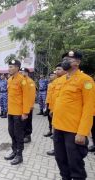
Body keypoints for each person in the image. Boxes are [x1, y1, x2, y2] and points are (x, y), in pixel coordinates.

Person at [52, 51, 94, 180]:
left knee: (75, 164)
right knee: (61, 160)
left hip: (74, 130)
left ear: (77, 62)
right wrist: (54, 126)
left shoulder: (86, 80)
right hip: (58, 128)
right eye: (64, 58)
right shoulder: (61, 79)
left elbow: (89, 108)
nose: (65, 61)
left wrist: (82, 132)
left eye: (69, 59)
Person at [4, 60, 30, 165]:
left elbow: (26, 97)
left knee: (19, 134)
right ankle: (14, 151)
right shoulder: (10, 79)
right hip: (11, 111)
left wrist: (25, 113)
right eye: (9, 66)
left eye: (11, 67)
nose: (9, 68)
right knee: (11, 132)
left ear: (17, 68)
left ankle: (19, 155)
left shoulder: (22, 80)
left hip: (19, 113)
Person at [46, 63, 66, 156]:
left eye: (59, 69)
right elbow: (53, 96)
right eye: (56, 69)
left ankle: (60, 150)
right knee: (55, 131)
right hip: (54, 109)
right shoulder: (56, 81)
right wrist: (51, 109)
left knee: (61, 132)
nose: (57, 71)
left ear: (65, 70)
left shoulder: (66, 80)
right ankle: (56, 149)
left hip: (64, 113)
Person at [20, 68, 36, 144]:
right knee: (22, 121)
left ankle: (27, 136)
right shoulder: (21, 81)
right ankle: (22, 135)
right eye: (21, 72)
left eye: (23, 72)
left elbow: (32, 95)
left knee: (28, 121)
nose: (21, 73)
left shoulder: (30, 82)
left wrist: (31, 105)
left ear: (27, 73)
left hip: (28, 105)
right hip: (21, 105)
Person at [43, 71, 57, 137]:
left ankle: (55, 132)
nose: (51, 76)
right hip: (49, 103)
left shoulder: (58, 83)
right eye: (50, 75)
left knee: (55, 118)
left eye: (52, 75)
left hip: (55, 104)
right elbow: (48, 94)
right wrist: (46, 103)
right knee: (49, 118)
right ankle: (51, 130)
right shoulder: (49, 84)